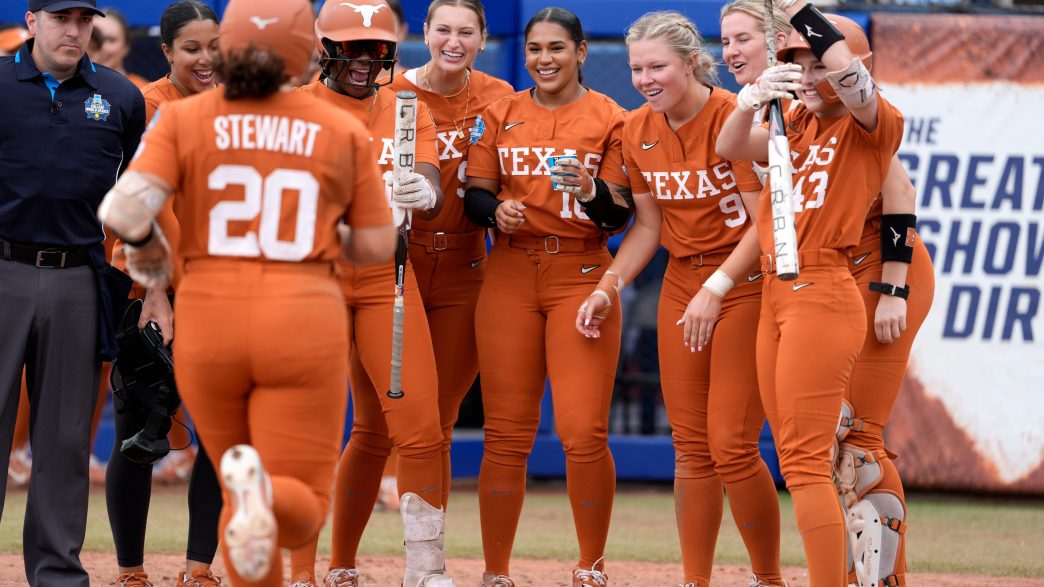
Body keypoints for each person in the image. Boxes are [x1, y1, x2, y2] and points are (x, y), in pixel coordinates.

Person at [96, 0, 395, 584]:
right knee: (300, 503)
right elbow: (376, 245)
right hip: (301, 320)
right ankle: (268, 503)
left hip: (211, 319)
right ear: (306, 50)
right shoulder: (336, 124)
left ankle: (247, 506)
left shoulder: (187, 119)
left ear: (228, 44)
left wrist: (153, 261)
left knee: (230, 468)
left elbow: (124, 208)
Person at [720, 3, 935, 584]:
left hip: (865, 275)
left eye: (820, 64)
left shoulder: (872, 119)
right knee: (808, 453)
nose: (808, 76)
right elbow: (730, 147)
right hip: (788, 285)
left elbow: (902, 196)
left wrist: (892, 287)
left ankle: (882, 576)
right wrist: (750, 97)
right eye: (798, 65)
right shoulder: (799, 121)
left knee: (852, 444)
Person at [576, 10, 784, 587]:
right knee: (690, 444)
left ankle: (768, 578)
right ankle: (696, 580)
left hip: (743, 282)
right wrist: (607, 285)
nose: (644, 79)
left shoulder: (730, 114)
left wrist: (718, 288)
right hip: (680, 283)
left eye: (657, 67)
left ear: (692, 62)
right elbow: (646, 227)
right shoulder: (636, 128)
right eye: (637, 68)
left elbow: (762, 219)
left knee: (731, 444)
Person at [463, 7, 633, 586]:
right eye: (534, 48)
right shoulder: (501, 111)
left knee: (583, 431)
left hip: (581, 270)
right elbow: (475, 197)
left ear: (582, 52)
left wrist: (589, 190)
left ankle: (591, 566)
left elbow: (618, 212)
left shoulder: (613, 118)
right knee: (506, 432)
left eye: (557, 48)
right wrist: (497, 211)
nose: (544, 59)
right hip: (509, 271)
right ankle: (496, 572)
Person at [289, 2, 454, 586]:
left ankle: (425, 568)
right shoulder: (297, 108)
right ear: (326, 46)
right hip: (317, 281)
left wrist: (424, 192)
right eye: (353, 47)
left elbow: (431, 177)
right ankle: (305, 571)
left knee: (420, 427)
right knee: (310, 427)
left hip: (387, 277)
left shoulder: (408, 106)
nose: (366, 60)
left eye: (377, 48)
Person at [0, 0, 146, 584]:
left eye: (83, 20)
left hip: (80, 274)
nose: (74, 30)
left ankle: (57, 572)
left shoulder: (120, 96)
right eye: (61, 18)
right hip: (3, 264)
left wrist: (147, 286)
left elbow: (142, 196)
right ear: (32, 21)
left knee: (63, 437)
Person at [101, 2, 225, 586]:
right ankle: (131, 571)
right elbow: (141, 208)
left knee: (223, 434)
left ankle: (199, 569)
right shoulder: (148, 105)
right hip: (152, 289)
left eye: (214, 46)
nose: (206, 59)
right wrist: (157, 292)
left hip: (223, 293)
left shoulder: (238, 108)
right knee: (141, 428)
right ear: (168, 52)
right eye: (192, 49)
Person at [384, 0, 514, 513]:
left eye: (466, 31)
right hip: (402, 261)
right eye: (443, 30)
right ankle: (353, 550)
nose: (453, 41)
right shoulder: (393, 91)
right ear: (425, 33)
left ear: (483, 38)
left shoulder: (499, 95)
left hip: (467, 262)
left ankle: (425, 542)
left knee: (442, 412)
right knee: (391, 409)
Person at [93, 8, 148, 87]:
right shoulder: (71, 86)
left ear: (126, 46)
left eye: (111, 40)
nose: (103, 47)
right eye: (95, 39)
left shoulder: (143, 91)